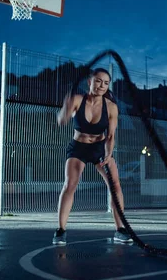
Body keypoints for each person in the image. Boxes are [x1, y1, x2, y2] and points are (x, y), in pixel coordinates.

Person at [53, 68, 133, 245]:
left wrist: (109, 152)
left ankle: (120, 230)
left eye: (105, 83)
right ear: (90, 82)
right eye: (98, 81)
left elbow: (111, 136)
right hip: (78, 148)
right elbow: (61, 121)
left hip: (100, 147)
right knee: (70, 184)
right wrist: (65, 109)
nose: (102, 86)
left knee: (115, 185)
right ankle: (60, 230)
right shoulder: (77, 99)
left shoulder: (111, 107)